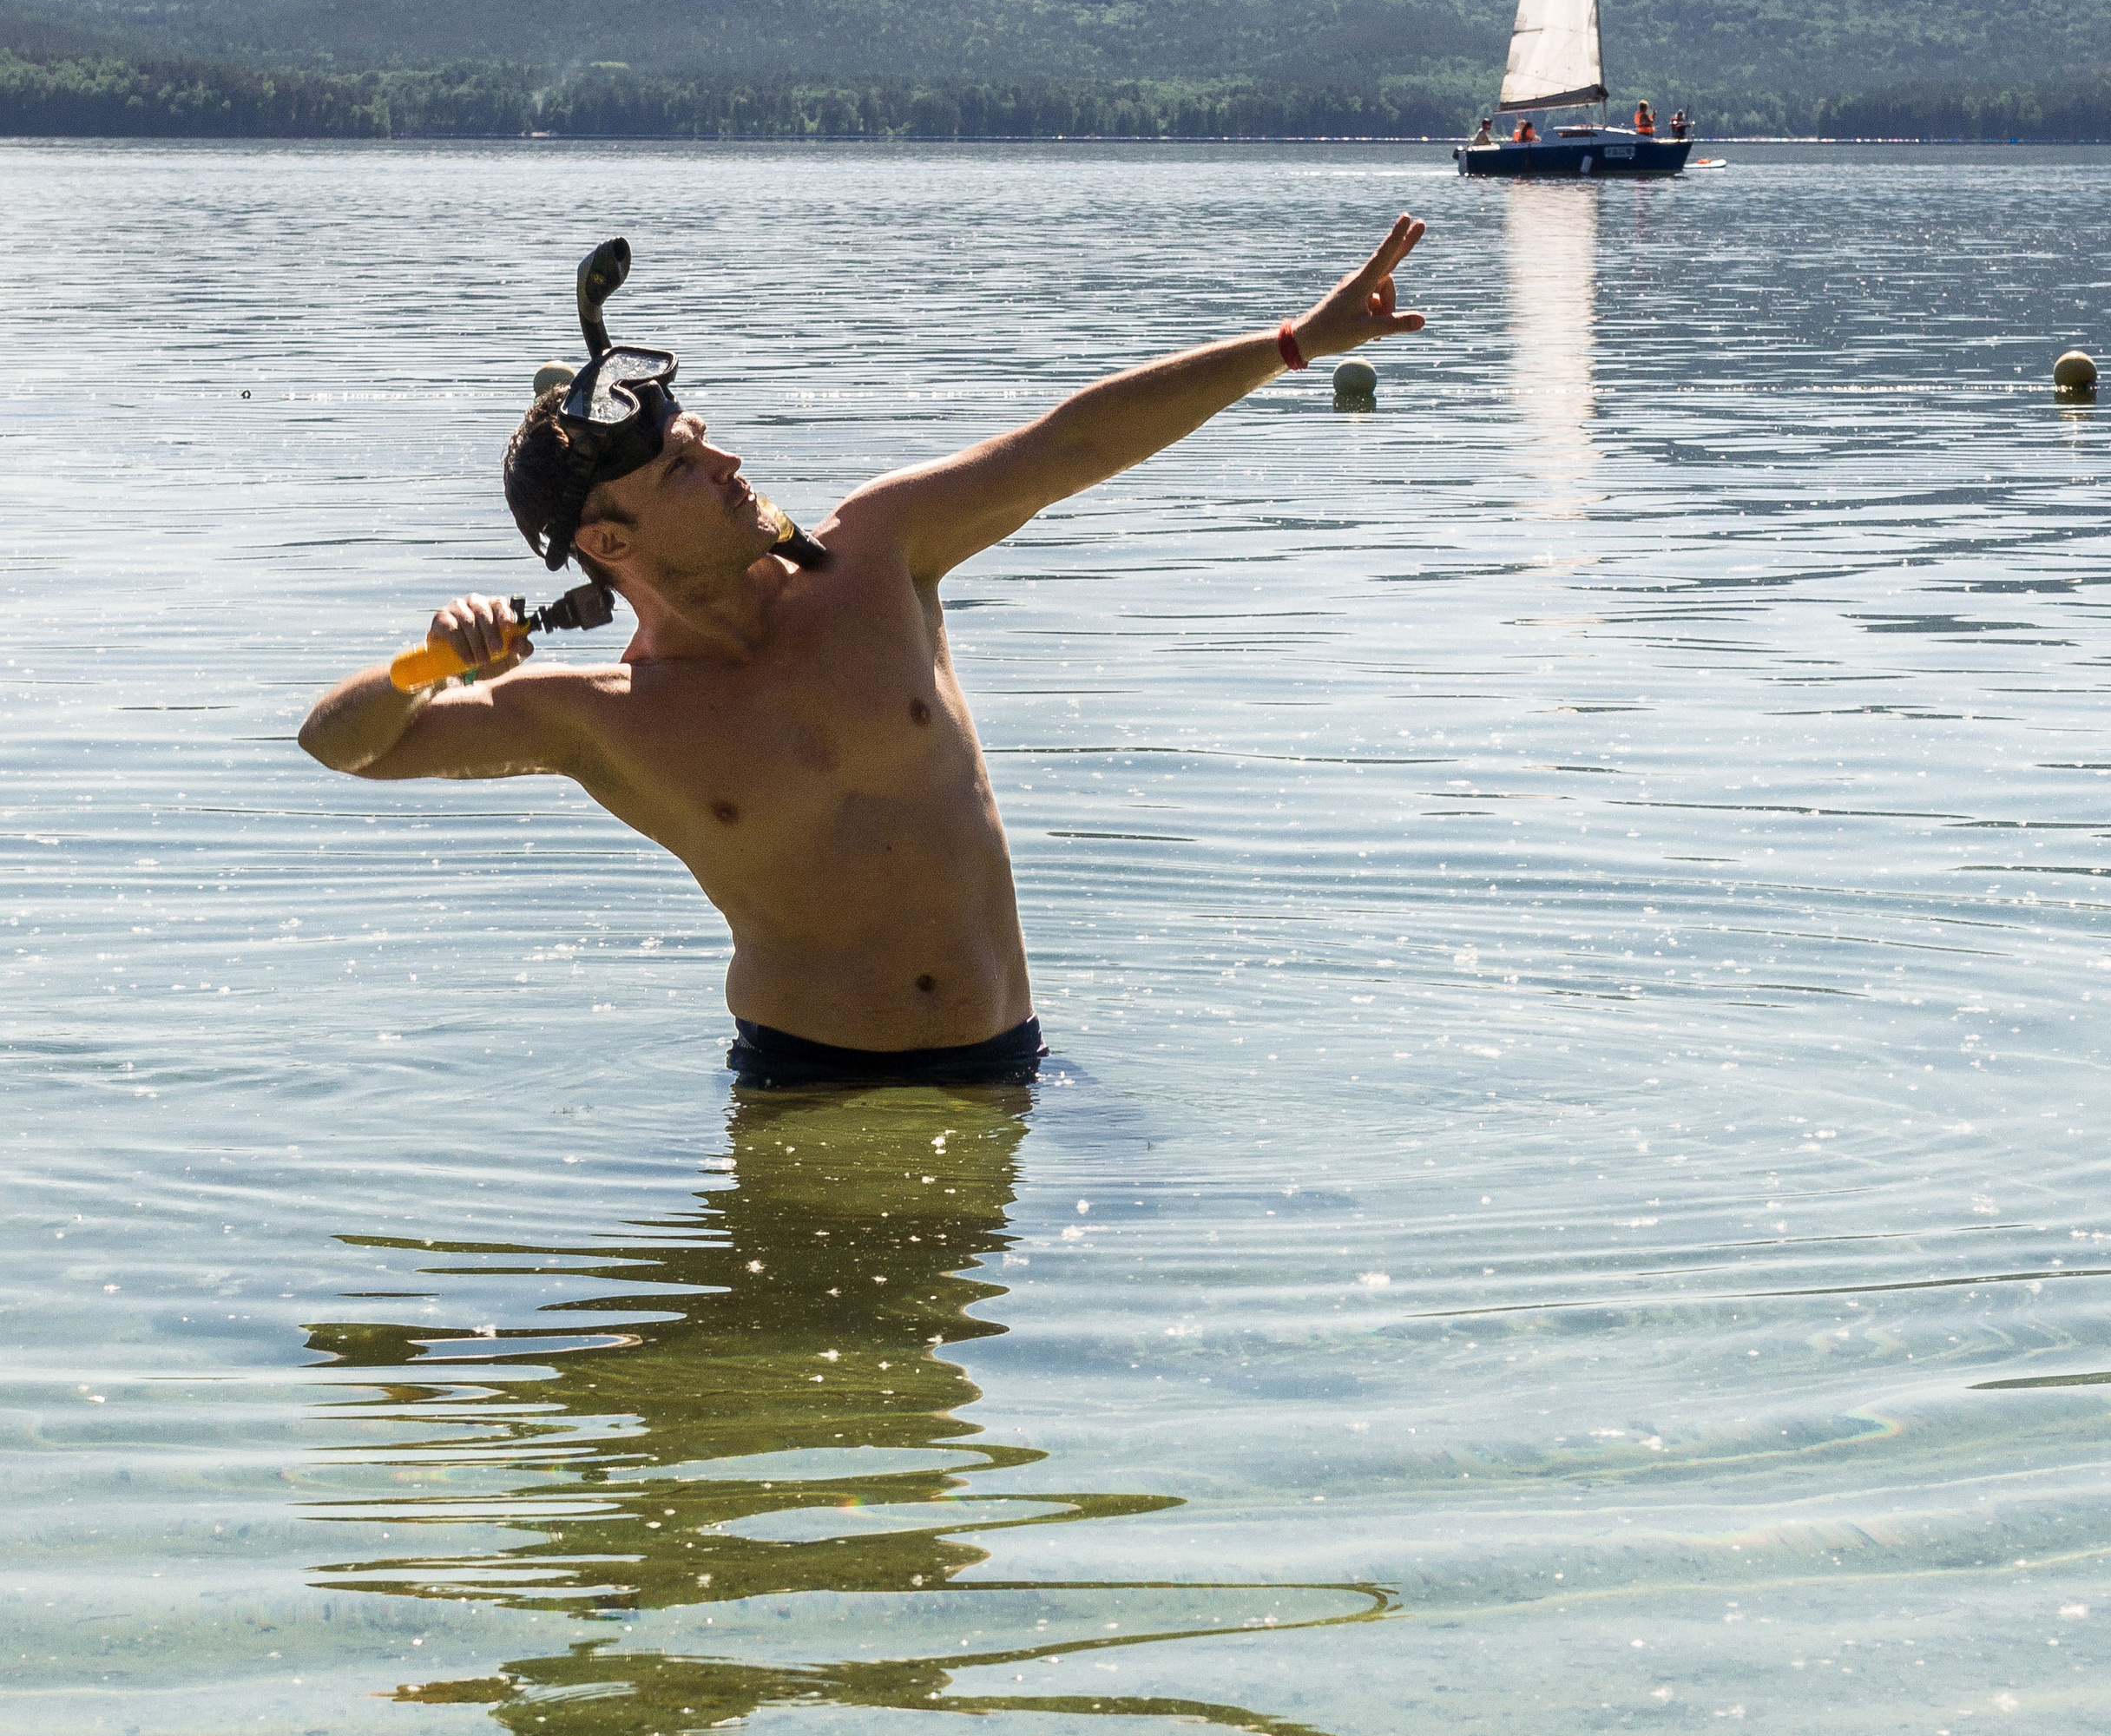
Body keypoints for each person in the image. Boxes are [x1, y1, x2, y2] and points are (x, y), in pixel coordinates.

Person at [297, 215, 1426, 1090]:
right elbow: (339, 745)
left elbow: (1073, 441)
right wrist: (425, 667)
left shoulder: (879, 554)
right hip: (800, 1090)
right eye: (683, 468)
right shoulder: (598, 712)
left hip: (1006, 1065)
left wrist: (1291, 345)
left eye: (701, 438)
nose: (729, 461)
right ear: (609, 543)